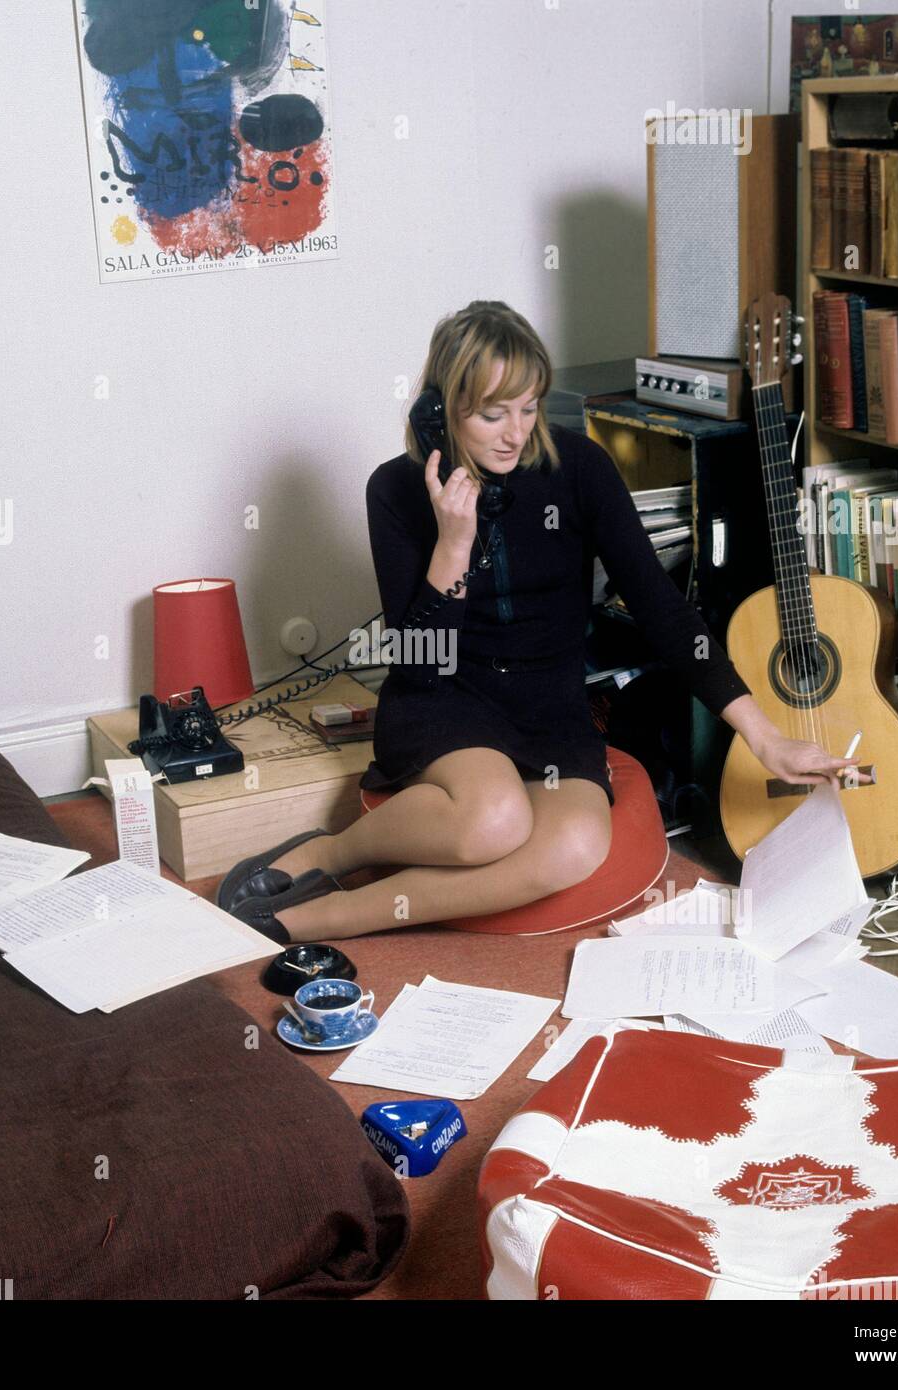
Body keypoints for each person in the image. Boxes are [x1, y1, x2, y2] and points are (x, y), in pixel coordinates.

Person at [220, 301, 862, 943]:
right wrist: (452, 544)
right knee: (494, 819)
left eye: (528, 408)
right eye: (491, 413)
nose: (515, 433)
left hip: (549, 707)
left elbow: (663, 610)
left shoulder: (580, 469)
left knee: (576, 845)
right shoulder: (393, 490)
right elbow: (418, 659)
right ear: (440, 412)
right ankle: (330, 857)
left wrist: (764, 736)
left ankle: (323, 917)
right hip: (446, 699)